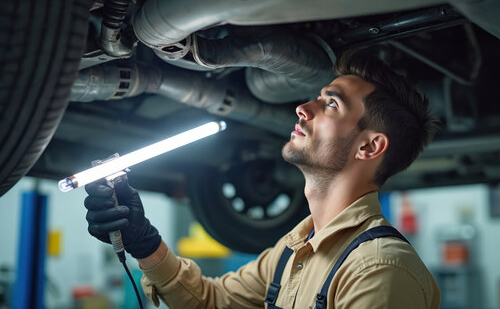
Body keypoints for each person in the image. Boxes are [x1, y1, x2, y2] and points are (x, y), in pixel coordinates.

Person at [84, 50, 441, 308]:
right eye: (318, 97)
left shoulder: (377, 270)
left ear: (369, 146)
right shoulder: (292, 250)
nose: (304, 108)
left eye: (331, 104)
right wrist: (144, 241)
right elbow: (210, 301)